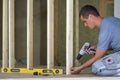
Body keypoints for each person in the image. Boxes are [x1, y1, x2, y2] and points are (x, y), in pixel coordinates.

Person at [70, 5, 120, 76]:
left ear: (90, 17)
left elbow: (98, 56)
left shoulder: (105, 29)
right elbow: (117, 43)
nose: (85, 25)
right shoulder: (109, 20)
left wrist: (80, 68)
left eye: (85, 21)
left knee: (97, 67)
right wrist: (98, 48)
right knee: (104, 61)